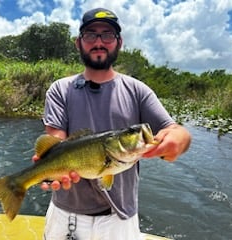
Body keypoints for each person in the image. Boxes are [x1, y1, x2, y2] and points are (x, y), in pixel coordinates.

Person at [35, 7, 191, 240]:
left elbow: (176, 131)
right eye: (90, 35)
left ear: (119, 42)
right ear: (79, 43)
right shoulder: (61, 89)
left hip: (120, 220)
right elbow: (56, 141)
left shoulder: (138, 91)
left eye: (107, 35)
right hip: (65, 215)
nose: (99, 42)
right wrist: (49, 170)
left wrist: (177, 141)